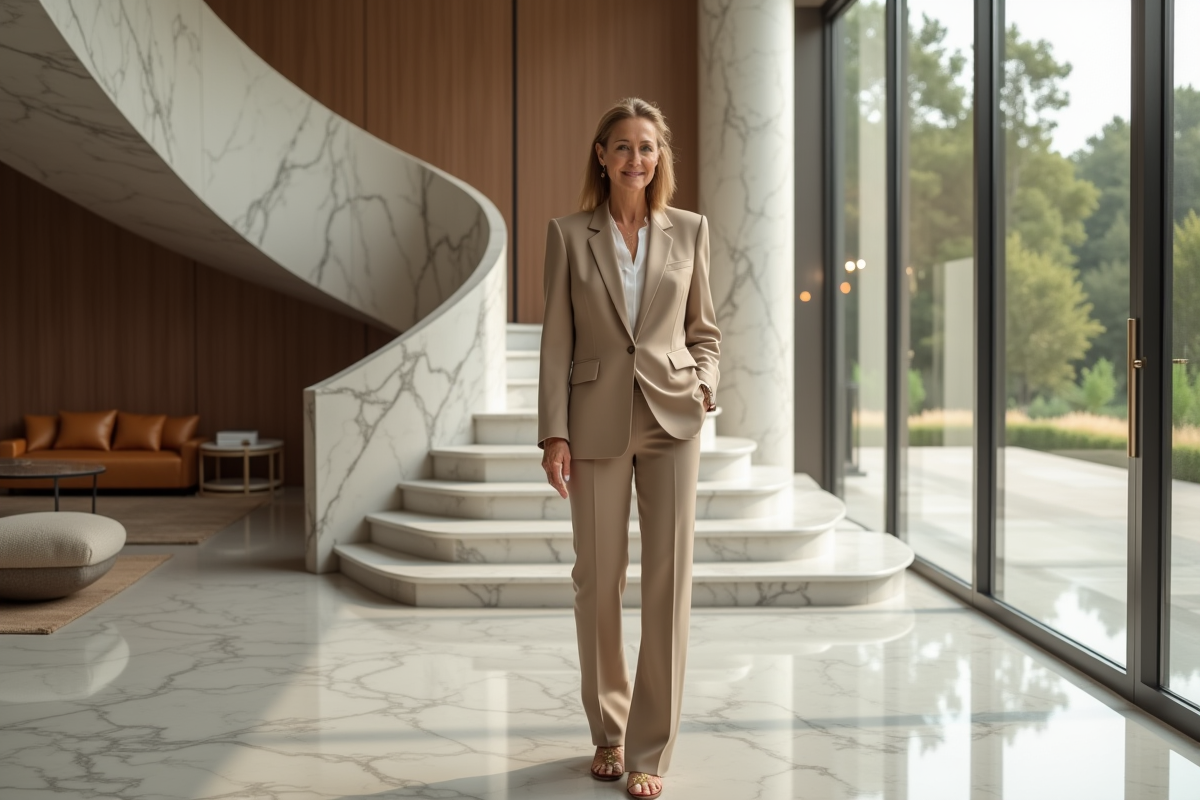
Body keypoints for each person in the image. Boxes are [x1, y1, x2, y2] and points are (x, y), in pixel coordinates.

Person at [537, 97, 720, 799]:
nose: (635, 160)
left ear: (659, 157)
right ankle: (608, 731)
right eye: (623, 147)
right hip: (594, 420)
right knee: (598, 580)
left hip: (674, 418)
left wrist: (704, 384)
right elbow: (557, 340)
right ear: (602, 155)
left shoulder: (691, 230)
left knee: (669, 584)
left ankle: (650, 750)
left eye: (647, 148)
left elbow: (705, 329)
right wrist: (553, 430)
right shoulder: (566, 234)